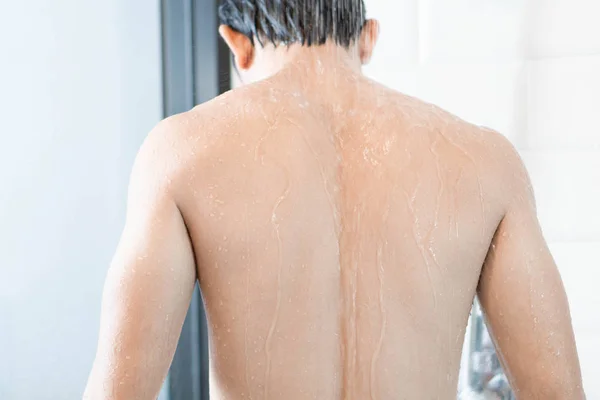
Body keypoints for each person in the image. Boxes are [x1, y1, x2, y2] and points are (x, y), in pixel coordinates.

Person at [84, 0, 585, 399]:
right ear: (367, 38)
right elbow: (557, 393)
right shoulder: (487, 162)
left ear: (236, 45)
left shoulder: (181, 153)